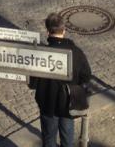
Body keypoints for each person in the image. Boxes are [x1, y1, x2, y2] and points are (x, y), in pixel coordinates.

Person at [29, 13, 92, 147]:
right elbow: (86, 76)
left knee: (49, 139)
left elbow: (33, 83)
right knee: (67, 138)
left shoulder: (40, 53)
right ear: (64, 30)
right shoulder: (76, 52)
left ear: (47, 31)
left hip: (47, 105)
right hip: (68, 104)